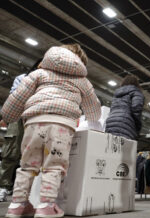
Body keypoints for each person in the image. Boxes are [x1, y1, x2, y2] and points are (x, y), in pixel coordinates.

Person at [1, 44, 101, 217]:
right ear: (80, 62)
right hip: (62, 126)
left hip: (33, 123)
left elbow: (17, 96)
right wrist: (93, 118)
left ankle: (17, 206)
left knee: (26, 166)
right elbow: (94, 107)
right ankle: (46, 206)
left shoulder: (38, 74)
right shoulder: (82, 81)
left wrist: (8, 116)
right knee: (54, 166)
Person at [0, 59, 42, 202]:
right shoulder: (23, 78)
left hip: (36, 120)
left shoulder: (47, 82)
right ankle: (3, 187)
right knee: (11, 153)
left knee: (32, 157)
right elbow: (15, 96)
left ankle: (25, 191)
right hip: (19, 118)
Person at [105, 75, 145, 140]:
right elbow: (136, 108)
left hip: (110, 121)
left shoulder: (117, 94)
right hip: (125, 122)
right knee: (125, 148)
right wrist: (138, 127)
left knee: (111, 147)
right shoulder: (137, 92)